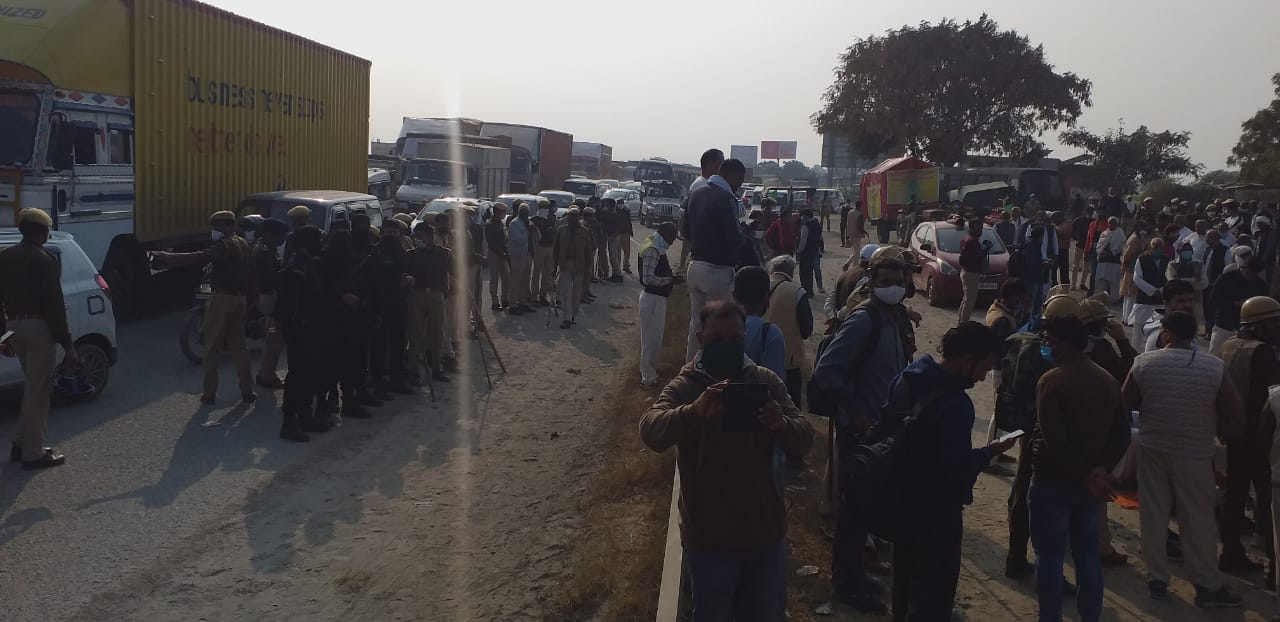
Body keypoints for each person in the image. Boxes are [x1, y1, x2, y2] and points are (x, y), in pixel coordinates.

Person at [639, 300, 813, 620]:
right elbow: (651, 430)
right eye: (717, 339)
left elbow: (804, 436)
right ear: (701, 338)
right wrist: (692, 413)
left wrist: (781, 425)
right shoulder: (685, 385)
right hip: (710, 540)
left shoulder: (765, 382)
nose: (727, 345)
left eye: (735, 338)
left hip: (764, 535)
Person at [889, 322, 1018, 620]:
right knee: (933, 595)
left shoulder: (907, 380)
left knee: (904, 584)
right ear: (967, 358)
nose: (984, 376)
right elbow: (958, 470)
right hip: (936, 513)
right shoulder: (956, 405)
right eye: (984, 367)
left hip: (900, 500)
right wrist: (990, 452)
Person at [1123, 311, 1245, 608]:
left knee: (1153, 511)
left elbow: (1125, 402)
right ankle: (1206, 584)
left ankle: (1156, 578)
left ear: (1166, 333)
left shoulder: (1144, 363)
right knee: (1198, 518)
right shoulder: (1212, 366)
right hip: (1195, 452)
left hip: (1153, 446)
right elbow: (1234, 411)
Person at [812, 257, 911, 613]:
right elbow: (828, 371)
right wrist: (855, 413)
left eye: (898, 280)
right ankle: (847, 583)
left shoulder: (894, 318)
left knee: (867, 510)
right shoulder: (863, 320)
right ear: (871, 281)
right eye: (886, 279)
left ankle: (857, 572)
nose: (894, 285)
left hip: (883, 431)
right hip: (861, 432)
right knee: (854, 513)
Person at [1029, 294, 1131, 622]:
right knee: (1088, 556)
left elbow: (1054, 440)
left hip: (1054, 482)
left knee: (1051, 559)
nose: (1048, 346)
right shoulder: (1106, 378)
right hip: (1090, 489)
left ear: (1061, 344)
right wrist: (1100, 470)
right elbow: (1122, 432)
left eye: (1050, 341)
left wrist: (1086, 473)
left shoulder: (1052, 381)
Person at [153, 210, 255, 406]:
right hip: (240, 300)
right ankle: (247, 391)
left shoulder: (224, 245)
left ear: (229, 225)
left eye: (218, 227)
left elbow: (200, 257)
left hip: (222, 299)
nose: (215, 231)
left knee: (211, 348)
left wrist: (169, 257)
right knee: (240, 349)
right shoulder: (243, 243)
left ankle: (209, 394)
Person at [0, 208, 76, 468]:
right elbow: (54, 307)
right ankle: (34, 452)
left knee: (32, 389)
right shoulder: (44, 260)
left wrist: (3, 334)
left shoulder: (4, 256)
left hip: (13, 326)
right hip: (38, 328)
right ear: (43, 232)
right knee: (39, 392)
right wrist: (68, 345)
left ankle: (20, 444)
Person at [1217, 296, 1280, 575]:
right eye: (1273, 322)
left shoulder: (1229, 344)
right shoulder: (1264, 351)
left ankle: (1230, 553)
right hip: (1259, 434)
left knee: (1235, 493)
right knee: (1266, 498)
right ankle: (1273, 561)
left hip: (1234, 431)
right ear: (1259, 324)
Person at [272, 225, 333, 442]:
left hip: (313, 327)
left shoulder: (310, 263)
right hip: (300, 328)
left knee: (311, 373)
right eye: (317, 240)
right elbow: (287, 300)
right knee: (298, 375)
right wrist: (287, 324)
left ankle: (306, 415)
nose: (321, 243)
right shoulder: (296, 266)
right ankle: (289, 422)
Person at [684, 159, 747, 361]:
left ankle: (691, 370)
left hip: (695, 265)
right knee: (722, 327)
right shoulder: (726, 197)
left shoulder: (696, 193)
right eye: (740, 180)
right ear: (734, 175)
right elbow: (733, 237)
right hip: (717, 270)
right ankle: (715, 370)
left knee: (697, 324)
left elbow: (684, 230)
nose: (740, 185)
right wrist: (745, 234)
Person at [368, 220, 414, 395]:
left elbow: (406, 271)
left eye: (395, 233)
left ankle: (397, 379)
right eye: (388, 233)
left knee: (398, 343)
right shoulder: (376, 252)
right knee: (380, 345)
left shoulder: (401, 252)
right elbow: (375, 282)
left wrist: (408, 279)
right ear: (382, 233)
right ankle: (378, 380)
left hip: (399, 303)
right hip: (381, 304)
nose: (392, 236)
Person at [764, 255, 815, 407]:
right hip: (789, 360)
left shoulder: (759, 285)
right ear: (791, 271)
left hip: (758, 355)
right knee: (791, 405)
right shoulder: (797, 291)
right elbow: (807, 329)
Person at [406, 222, 453, 383]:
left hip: (436, 294)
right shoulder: (411, 255)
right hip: (417, 295)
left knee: (437, 333)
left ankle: (436, 367)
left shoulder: (443, 254)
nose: (418, 240)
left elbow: (454, 270)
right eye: (416, 237)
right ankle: (413, 369)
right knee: (415, 333)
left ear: (429, 236)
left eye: (421, 236)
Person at [637, 222, 680, 386]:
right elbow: (647, 279)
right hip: (652, 299)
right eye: (672, 237)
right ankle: (648, 377)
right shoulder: (652, 249)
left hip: (656, 299)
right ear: (664, 233)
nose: (673, 241)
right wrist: (670, 280)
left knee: (655, 338)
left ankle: (651, 371)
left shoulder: (655, 244)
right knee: (650, 340)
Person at [251, 218, 289, 389]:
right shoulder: (262, 252)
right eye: (280, 236)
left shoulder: (266, 249)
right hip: (269, 298)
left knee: (271, 337)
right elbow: (271, 278)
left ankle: (263, 372)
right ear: (270, 235)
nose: (283, 239)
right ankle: (268, 375)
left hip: (267, 297)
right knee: (274, 338)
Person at [1209, 252, 1270, 354]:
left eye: (1254, 273)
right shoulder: (1227, 278)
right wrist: (1234, 304)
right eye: (1249, 272)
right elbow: (1214, 300)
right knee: (1215, 354)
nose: (1251, 276)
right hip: (1224, 324)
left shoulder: (1260, 285)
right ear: (1242, 267)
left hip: (1247, 330)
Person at [1130, 238, 1170, 352]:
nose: (1158, 249)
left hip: (1161, 302)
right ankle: (1134, 353)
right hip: (1143, 300)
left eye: (1160, 247)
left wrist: (1161, 291)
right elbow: (1137, 278)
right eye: (1155, 247)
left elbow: (1171, 277)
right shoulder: (1142, 259)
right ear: (1150, 247)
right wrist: (1152, 291)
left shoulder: (1167, 260)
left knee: (1159, 330)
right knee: (1138, 329)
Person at [555, 207, 592, 329]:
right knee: (566, 292)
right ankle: (566, 318)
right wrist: (553, 268)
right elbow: (556, 250)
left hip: (579, 266)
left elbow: (589, 251)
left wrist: (588, 268)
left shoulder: (585, 231)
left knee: (576, 294)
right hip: (565, 265)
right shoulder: (562, 230)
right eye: (571, 216)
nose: (573, 219)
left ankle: (572, 316)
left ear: (579, 217)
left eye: (575, 216)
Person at [1166, 241, 1209, 329]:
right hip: (1177, 301)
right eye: (1184, 249)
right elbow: (1172, 282)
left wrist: (1181, 280)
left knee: (1193, 328)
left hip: (1195, 301)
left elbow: (1204, 283)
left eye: (1189, 249)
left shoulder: (1199, 264)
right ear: (1178, 251)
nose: (1187, 252)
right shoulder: (1172, 265)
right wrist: (1194, 280)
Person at [958, 219, 991, 326]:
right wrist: (986, 249)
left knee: (966, 299)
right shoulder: (972, 241)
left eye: (981, 228)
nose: (979, 230)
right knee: (969, 301)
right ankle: (964, 324)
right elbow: (977, 257)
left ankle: (961, 321)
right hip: (971, 273)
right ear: (971, 228)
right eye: (977, 228)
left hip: (966, 271)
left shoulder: (968, 240)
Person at [506, 201, 536, 313]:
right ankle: (512, 305)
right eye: (524, 212)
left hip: (526, 255)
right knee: (515, 281)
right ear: (520, 212)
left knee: (525, 280)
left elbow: (537, 236)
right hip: (517, 255)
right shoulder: (514, 223)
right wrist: (527, 230)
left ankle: (522, 302)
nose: (526, 214)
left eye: (527, 212)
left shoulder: (527, 222)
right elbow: (519, 240)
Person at [1119, 221, 1151, 325]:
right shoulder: (1135, 240)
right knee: (1131, 296)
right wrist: (1124, 267)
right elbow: (1128, 255)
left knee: (1128, 296)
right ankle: (1128, 319)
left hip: (1131, 269)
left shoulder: (1137, 238)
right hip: (1132, 269)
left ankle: (1125, 318)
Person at [485, 203, 514, 312]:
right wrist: (503, 254)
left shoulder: (501, 224)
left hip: (502, 252)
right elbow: (492, 243)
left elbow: (504, 240)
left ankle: (504, 299)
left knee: (506, 277)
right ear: (497, 211)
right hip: (494, 253)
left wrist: (506, 253)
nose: (503, 214)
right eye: (502, 212)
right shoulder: (490, 224)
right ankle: (495, 302)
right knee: (494, 279)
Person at [531, 199, 558, 306]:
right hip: (539, 247)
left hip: (549, 247)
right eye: (542, 207)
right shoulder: (534, 220)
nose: (544, 210)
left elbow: (554, 233)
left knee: (546, 273)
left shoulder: (551, 219)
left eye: (546, 208)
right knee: (537, 272)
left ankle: (543, 295)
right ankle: (534, 296)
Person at [1093, 217, 1126, 302]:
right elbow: (1099, 247)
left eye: (1113, 223)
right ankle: (1099, 299)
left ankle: (1114, 300)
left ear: (1117, 224)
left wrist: (1110, 253)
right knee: (1100, 281)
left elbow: (1120, 248)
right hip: (1102, 261)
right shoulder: (1104, 233)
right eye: (1109, 223)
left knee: (1114, 282)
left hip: (1114, 262)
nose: (1111, 224)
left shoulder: (1120, 234)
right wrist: (1102, 252)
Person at [796, 208, 824, 295]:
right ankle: (817, 288)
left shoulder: (806, 226)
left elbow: (803, 240)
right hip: (815, 251)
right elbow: (820, 238)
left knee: (806, 272)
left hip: (806, 252)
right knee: (816, 270)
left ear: (805, 216)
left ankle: (808, 291)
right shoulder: (818, 225)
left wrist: (799, 251)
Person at [1071, 208, 1093, 289]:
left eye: (1090, 212)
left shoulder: (1093, 221)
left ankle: (1082, 283)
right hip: (1079, 244)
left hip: (1088, 246)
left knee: (1086, 266)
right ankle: (1073, 284)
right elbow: (1072, 230)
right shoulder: (1078, 220)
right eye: (1088, 212)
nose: (1089, 214)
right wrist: (1075, 238)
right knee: (1075, 265)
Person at [617, 196, 635, 275]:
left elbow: (629, 222)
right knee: (618, 252)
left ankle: (626, 266)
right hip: (617, 233)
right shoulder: (615, 212)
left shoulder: (626, 211)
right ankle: (617, 268)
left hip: (626, 233)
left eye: (622, 203)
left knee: (627, 251)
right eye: (620, 203)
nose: (621, 204)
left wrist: (631, 231)